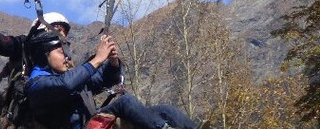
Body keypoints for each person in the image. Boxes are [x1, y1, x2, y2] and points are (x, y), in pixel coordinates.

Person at [25, 30, 206, 129]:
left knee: (164, 111)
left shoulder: (67, 78)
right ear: (43, 56)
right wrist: (97, 59)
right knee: (125, 102)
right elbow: (65, 85)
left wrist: (112, 62)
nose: (67, 57)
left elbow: (101, 81)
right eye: (61, 52)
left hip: (92, 124)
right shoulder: (36, 85)